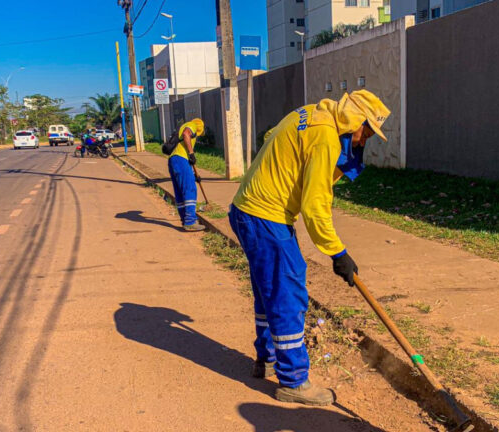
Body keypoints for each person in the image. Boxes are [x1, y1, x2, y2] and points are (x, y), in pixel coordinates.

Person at [229, 90, 390, 406]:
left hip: (246, 210)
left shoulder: (310, 114)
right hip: (266, 217)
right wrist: (338, 253)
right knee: (288, 292)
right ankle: (293, 381)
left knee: (268, 291)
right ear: (354, 118)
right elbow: (315, 205)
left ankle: (268, 358)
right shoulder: (327, 138)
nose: (362, 141)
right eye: (366, 131)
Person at [167, 118, 206, 232]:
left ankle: (185, 219)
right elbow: (186, 134)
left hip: (173, 160)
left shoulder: (183, 126)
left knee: (180, 191)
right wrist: (191, 153)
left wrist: (194, 176)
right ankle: (190, 221)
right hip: (181, 159)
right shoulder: (193, 125)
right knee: (190, 189)